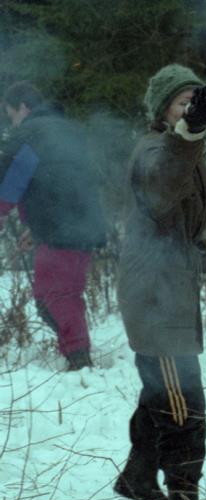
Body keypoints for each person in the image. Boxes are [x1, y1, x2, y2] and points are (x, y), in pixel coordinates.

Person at [114, 64, 206, 500]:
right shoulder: (153, 150)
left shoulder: (184, 150)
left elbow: (182, 226)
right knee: (184, 406)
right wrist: (190, 133)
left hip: (172, 292)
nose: (190, 109)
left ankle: (138, 478)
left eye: (194, 101)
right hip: (155, 300)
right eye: (182, 102)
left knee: (161, 396)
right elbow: (162, 192)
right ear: (163, 109)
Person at [0, 81, 107, 370]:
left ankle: (79, 359)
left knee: (51, 297)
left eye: (11, 114)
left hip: (60, 231)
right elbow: (64, 181)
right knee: (68, 294)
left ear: (23, 107)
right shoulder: (70, 130)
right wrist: (34, 227)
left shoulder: (30, 134)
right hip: (85, 226)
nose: (13, 122)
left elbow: (11, 183)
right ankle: (79, 354)